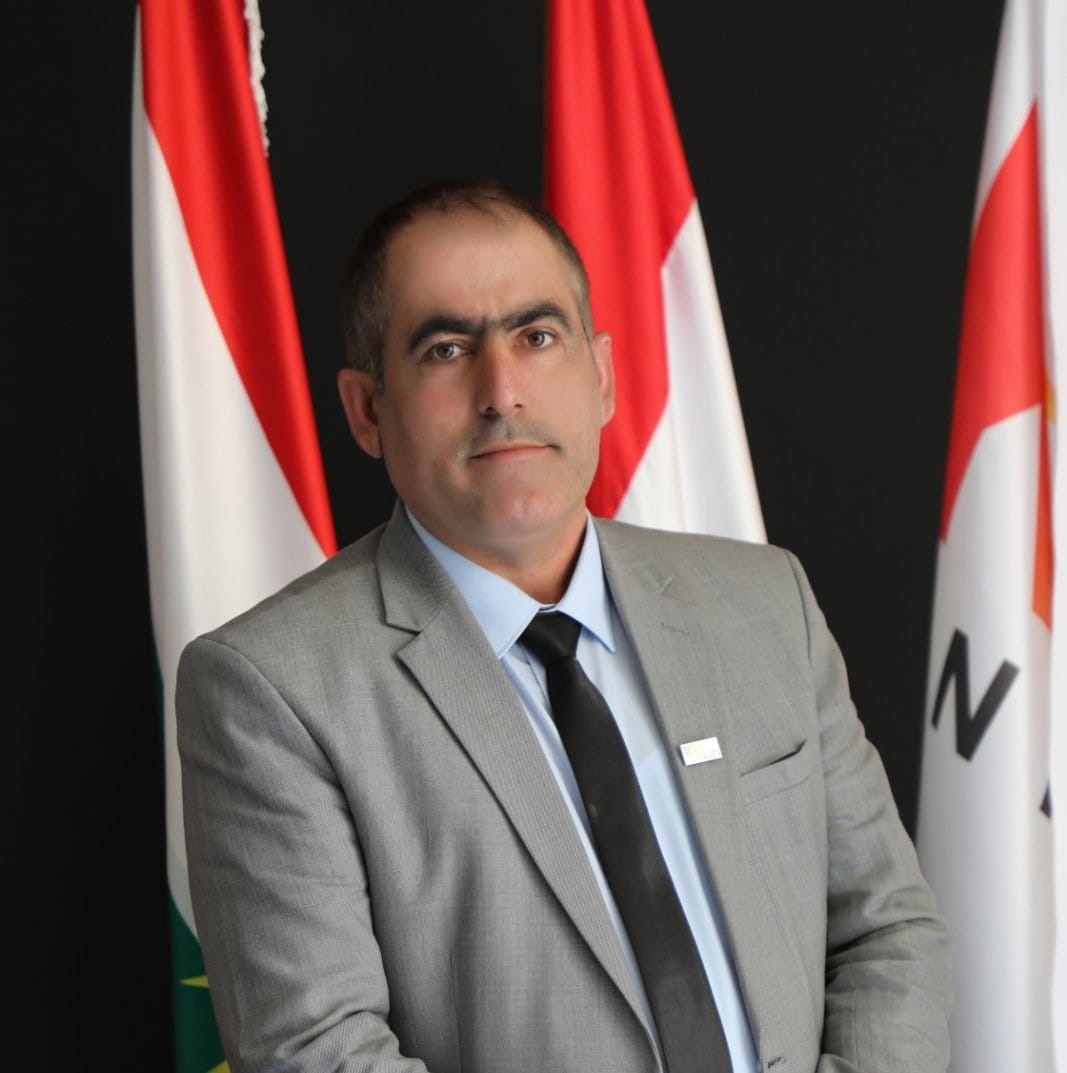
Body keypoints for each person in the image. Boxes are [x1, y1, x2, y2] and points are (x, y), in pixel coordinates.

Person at [176, 178, 952, 1073]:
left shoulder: (765, 602)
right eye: (444, 349)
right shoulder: (271, 689)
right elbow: (316, 1051)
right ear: (366, 410)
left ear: (602, 376)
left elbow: (886, 929)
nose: (501, 390)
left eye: (537, 336)